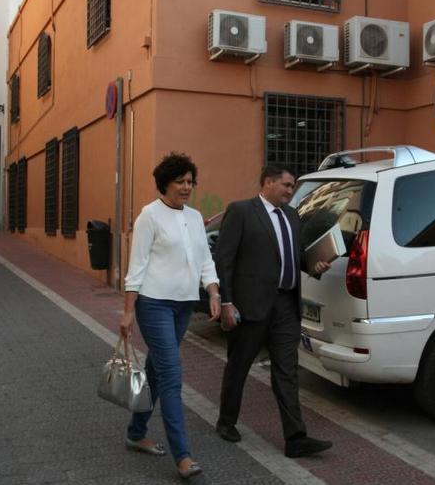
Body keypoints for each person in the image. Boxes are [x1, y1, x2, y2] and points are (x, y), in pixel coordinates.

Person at [215, 165, 333, 458]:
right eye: (287, 185)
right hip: (250, 306)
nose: (291, 191)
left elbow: (296, 255)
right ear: (268, 182)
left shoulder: (292, 216)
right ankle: (226, 421)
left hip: (285, 306)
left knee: (287, 372)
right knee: (238, 368)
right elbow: (224, 259)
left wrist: (313, 265)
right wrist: (226, 302)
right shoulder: (241, 211)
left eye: (292, 186)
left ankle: (296, 438)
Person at [120, 152, 221, 479]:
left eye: (190, 181)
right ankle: (183, 456)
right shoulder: (149, 216)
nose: (186, 187)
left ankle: (136, 432)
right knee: (172, 375)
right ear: (165, 182)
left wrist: (213, 290)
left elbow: (205, 258)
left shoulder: (194, 216)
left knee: (155, 371)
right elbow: (137, 266)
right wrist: (127, 312)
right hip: (154, 304)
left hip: (183, 306)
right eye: (180, 181)